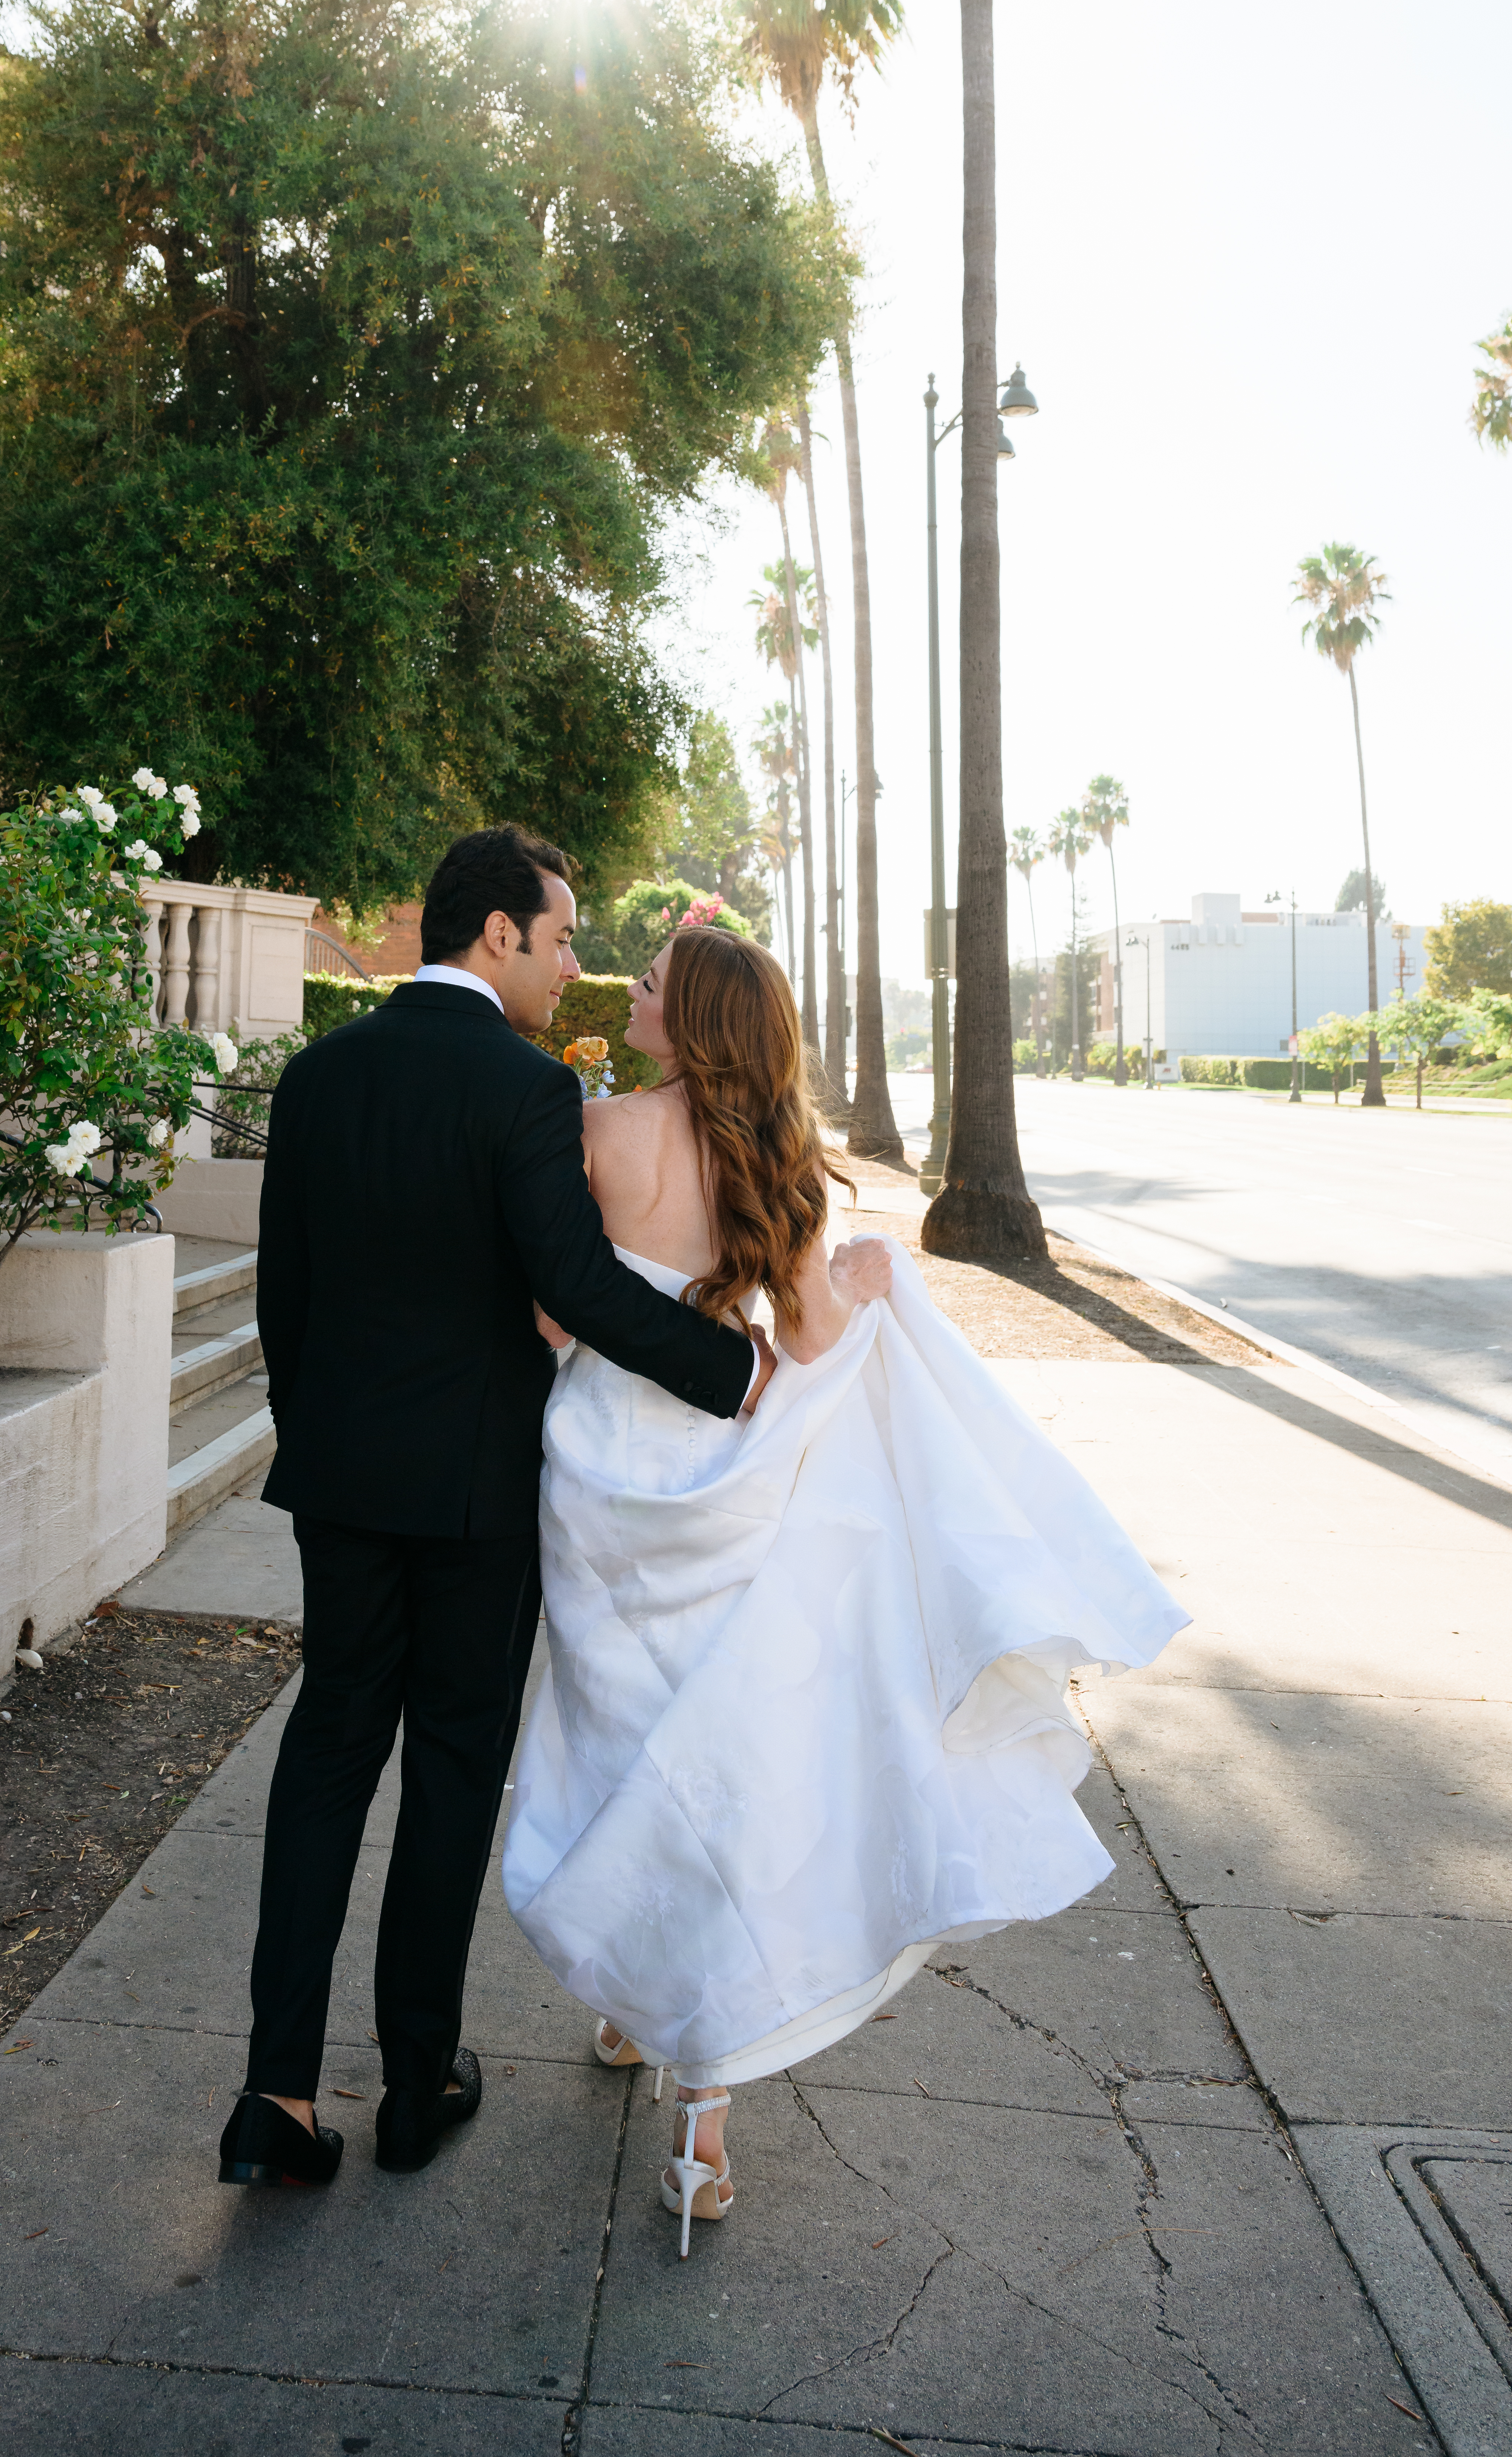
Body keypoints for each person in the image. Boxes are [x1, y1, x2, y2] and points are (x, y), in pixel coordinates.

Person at [218, 828, 886, 2191]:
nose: (577, 966)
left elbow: (281, 1297)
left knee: (327, 1756)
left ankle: (274, 2097)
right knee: (453, 1772)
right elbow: (575, 1287)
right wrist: (735, 1372)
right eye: (565, 937)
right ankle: (416, 2084)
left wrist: (321, 1444)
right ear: (498, 936)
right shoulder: (524, 1092)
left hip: (340, 1482)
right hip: (477, 1490)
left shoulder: (318, 1076)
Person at [504, 924, 1189, 2252]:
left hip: (602, 1480)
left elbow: (556, 1314)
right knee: (715, 1763)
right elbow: (814, 1338)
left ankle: (642, 1999)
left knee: (617, 1746)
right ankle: (699, 2110)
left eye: (649, 983)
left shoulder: (600, 1135)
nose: (629, 992)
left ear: (691, 1021)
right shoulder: (781, 1161)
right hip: (729, 1472)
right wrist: (865, 1283)